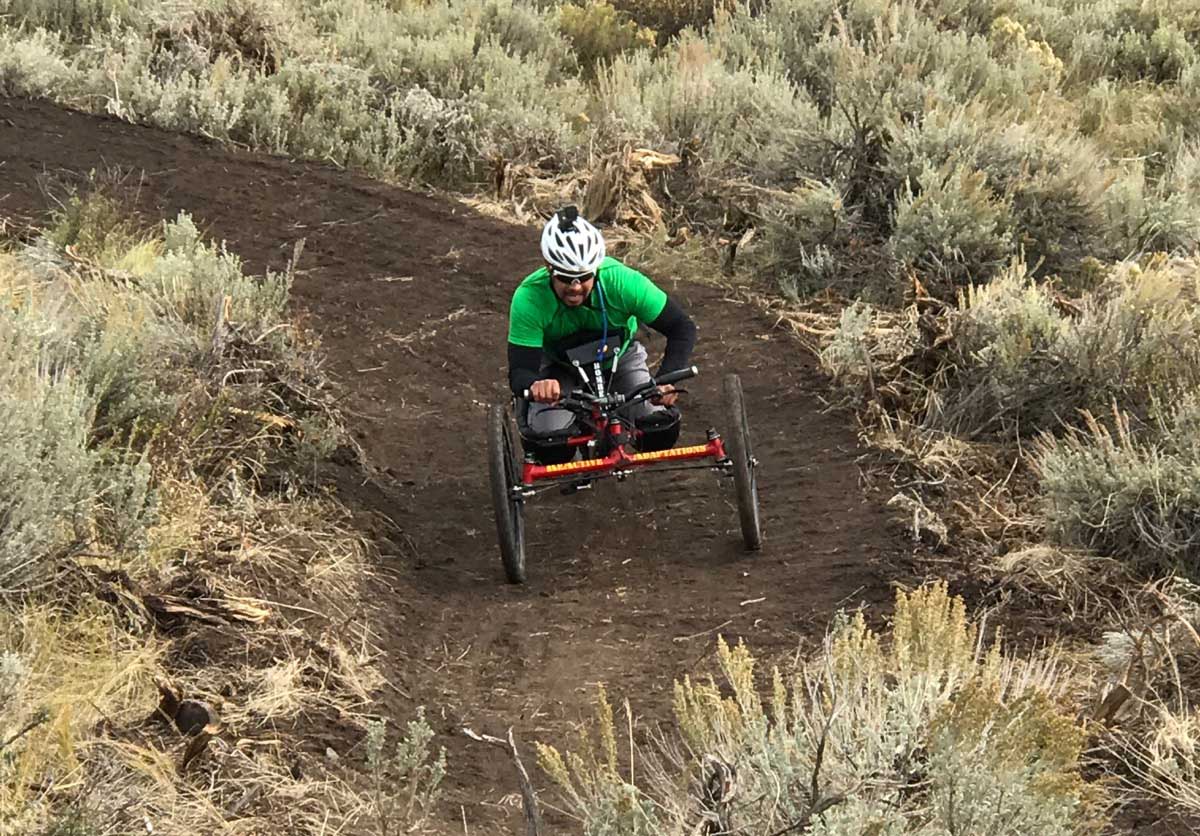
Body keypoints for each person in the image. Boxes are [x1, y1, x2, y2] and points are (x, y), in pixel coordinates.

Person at [507, 206, 698, 463]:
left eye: (583, 277)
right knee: (549, 446)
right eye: (565, 278)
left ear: (596, 269)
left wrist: (665, 380)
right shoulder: (529, 298)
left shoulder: (622, 283)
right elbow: (520, 371)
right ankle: (570, 444)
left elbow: (681, 327)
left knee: (660, 429)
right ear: (549, 267)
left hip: (619, 359)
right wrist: (536, 385)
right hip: (560, 369)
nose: (575, 287)